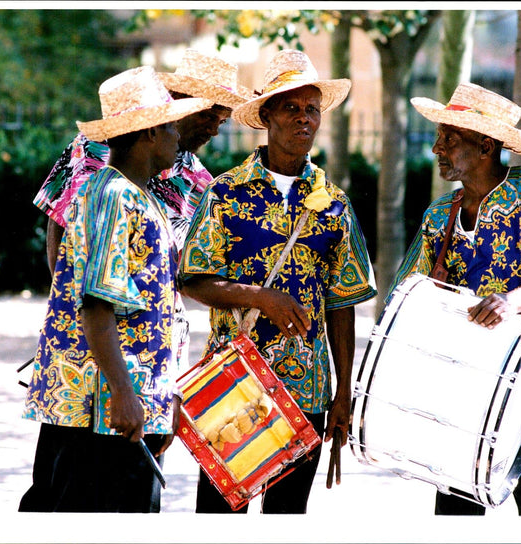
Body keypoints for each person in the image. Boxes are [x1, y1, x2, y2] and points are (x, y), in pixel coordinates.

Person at [178, 49, 377, 514]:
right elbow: (193, 280)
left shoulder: (335, 204)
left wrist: (343, 393)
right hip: (233, 382)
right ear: (265, 114)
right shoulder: (224, 192)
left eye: (312, 110)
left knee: (287, 518)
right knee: (217, 514)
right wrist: (259, 297)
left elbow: (342, 305)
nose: (304, 119)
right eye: (291, 107)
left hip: (305, 388)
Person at [392, 82, 521, 516]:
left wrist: (511, 302)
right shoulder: (439, 214)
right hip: (462, 379)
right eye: (438, 137)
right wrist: (430, 288)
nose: (437, 148)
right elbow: (404, 297)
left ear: (485, 145)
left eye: (449, 138)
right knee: (456, 511)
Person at [19, 66, 210, 512]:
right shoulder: (114, 196)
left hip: (126, 404)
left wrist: (163, 394)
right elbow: (98, 307)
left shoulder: (137, 195)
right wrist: (125, 395)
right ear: (146, 134)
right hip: (98, 411)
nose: (177, 136)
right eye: (168, 126)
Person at [32, 49, 249, 393]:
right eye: (208, 114)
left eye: (221, 121)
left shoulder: (201, 183)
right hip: (95, 339)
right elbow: (59, 226)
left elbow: (191, 272)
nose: (213, 129)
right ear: (178, 101)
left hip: (157, 351)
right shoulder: (96, 150)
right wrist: (73, 311)